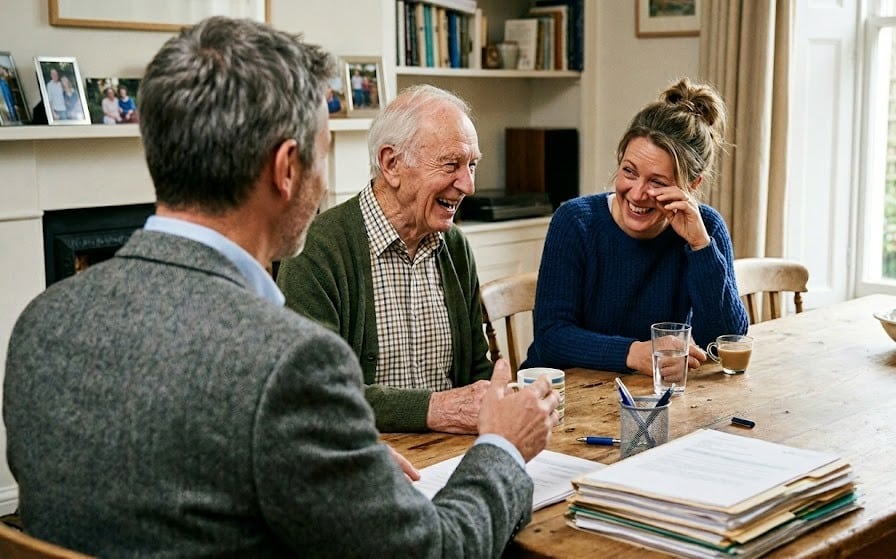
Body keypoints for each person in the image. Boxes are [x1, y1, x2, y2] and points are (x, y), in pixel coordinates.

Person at [3, 16, 559, 558]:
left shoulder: (42, 322)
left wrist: (342, 467)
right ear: (286, 168)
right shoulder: (291, 364)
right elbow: (437, 550)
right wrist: (502, 448)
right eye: (323, 155)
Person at [277, 84, 493, 434]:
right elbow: (312, 391)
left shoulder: (454, 247)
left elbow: (476, 373)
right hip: (361, 456)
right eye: (451, 164)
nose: (468, 185)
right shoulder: (318, 249)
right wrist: (432, 410)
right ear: (391, 164)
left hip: (451, 453)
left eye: (472, 165)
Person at [521, 77, 749, 377]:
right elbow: (551, 337)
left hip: (648, 394)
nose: (637, 193)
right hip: (562, 395)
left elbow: (723, 343)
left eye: (657, 182)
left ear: (692, 185)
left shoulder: (705, 228)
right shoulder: (575, 222)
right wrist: (633, 353)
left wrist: (701, 247)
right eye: (629, 172)